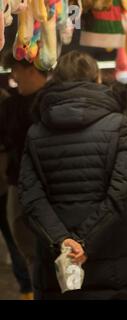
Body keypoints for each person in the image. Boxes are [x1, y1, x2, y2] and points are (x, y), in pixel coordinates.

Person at [18, 51, 127, 300]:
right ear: (97, 78)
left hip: (57, 262)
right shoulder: (119, 125)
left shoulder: (36, 132)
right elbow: (120, 191)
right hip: (113, 254)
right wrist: (85, 241)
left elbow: (30, 196)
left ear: (55, 81)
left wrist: (63, 241)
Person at [0, 51, 47, 299]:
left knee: (45, 244)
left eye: (16, 70)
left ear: (31, 69)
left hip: (47, 186)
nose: (13, 77)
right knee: (22, 241)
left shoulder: (51, 102)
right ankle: (31, 289)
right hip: (17, 182)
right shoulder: (9, 105)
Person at [0, 89, 33, 300]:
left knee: (15, 240)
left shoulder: (8, 105)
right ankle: (27, 289)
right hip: (5, 183)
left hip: (5, 184)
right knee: (15, 240)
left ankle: (28, 288)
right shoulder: (8, 103)